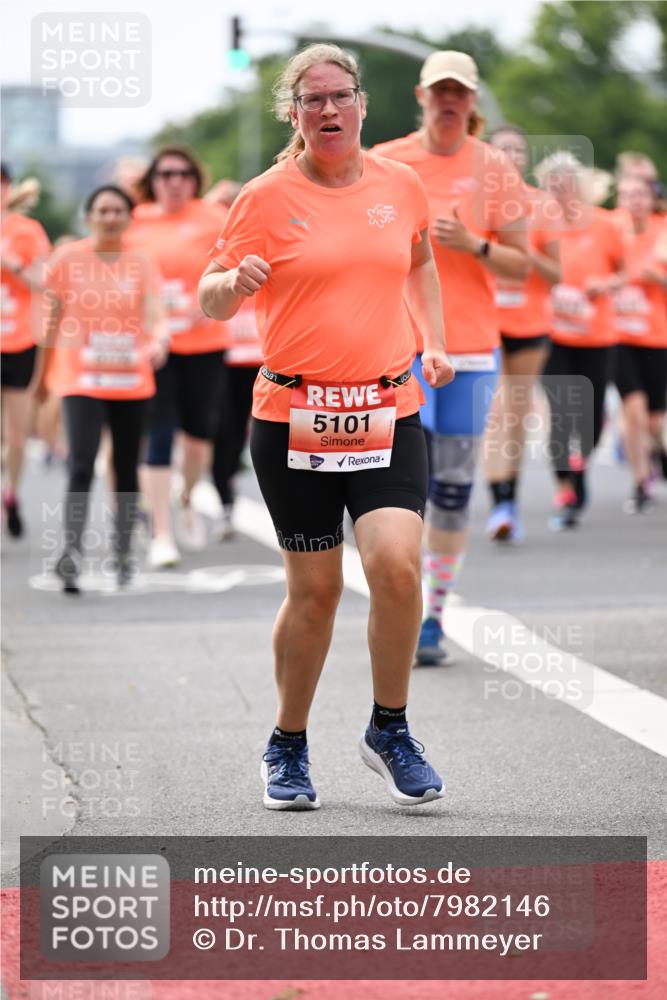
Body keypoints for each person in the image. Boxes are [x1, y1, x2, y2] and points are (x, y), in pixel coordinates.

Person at [199, 43, 454, 810]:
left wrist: (432, 338)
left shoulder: (399, 185)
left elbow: (418, 262)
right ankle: (287, 742)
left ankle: (390, 727)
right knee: (314, 595)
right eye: (312, 100)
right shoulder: (265, 196)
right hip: (294, 416)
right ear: (294, 113)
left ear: (363, 104)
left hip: (385, 406)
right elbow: (210, 298)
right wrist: (230, 282)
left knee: (397, 568)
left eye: (340, 96)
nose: (329, 111)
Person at [372, 52, 529, 665]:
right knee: (396, 490)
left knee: (455, 486)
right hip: (394, 348)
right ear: (421, 95)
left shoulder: (494, 168)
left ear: (471, 100)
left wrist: (476, 245)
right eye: (439, 91)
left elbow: (526, 262)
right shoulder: (386, 161)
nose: (448, 101)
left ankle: (432, 616)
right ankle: (398, 605)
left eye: (458, 92)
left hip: (467, 351)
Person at [32, 185, 168, 592]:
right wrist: (40, 379)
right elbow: (50, 322)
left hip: (131, 381)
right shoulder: (67, 259)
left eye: (117, 210)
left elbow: (155, 313)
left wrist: (160, 339)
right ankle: (71, 552)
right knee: (81, 461)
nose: (110, 217)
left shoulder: (141, 262)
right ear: (88, 216)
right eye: (102, 210)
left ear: (129, 217)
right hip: (81, 379)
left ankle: (123, 550)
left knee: (126, 467)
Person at [126, 146, 229, 567]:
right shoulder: (136, 223)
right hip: (154, 347)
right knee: (159, 432)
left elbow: (233, 265)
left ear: (195, 179)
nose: (174, 181)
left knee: (199, 437)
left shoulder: (214, 219)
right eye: (166, 173)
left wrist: (206, 304)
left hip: (205, 343)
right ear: (153, 180)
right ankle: (161, 533)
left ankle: (186, 498)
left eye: (184, 173)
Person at [535, 152, 625, 530]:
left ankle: (580, 469)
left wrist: (605, 284)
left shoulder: (604, 225)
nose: (560, 192)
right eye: (552, 185)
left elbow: (625, 271)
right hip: (552, 334)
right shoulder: (540, 226)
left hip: (597, 334)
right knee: (561, 410)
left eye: (566, 183)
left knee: (588, 417)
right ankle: (563, 487)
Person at [481, 125, 561, 542]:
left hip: (530, 325)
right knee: (495, 411)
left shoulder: (544, 207)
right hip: (485, 323)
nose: (511, 156)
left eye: (518, 149)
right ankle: (498, 503)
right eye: (502, 150)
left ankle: (510, 495)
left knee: (517, 413)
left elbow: (556, 274)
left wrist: (523, 253)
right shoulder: (475, 205)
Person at [611, 174, 667, 511]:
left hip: (656, 335)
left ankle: (658, 448)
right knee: (632, 409)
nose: (633, 201)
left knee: (653, 418)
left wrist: (656, 276)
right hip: (617, 335)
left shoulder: (662, 231)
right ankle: (639, 480)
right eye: (627, 194)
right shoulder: (610, 232)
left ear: (652, 199)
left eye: (640, 195)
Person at [1, 162, 51, 537]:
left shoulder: (26, 230)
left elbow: (44, 281)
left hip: (18, 341)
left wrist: (11, 263)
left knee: (17, 436)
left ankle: (12, 494)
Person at [211, 297, 262, 539]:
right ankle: (226, 506)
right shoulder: (215, 259)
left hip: (268, 360)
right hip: (226, 360)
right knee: (226, 435)